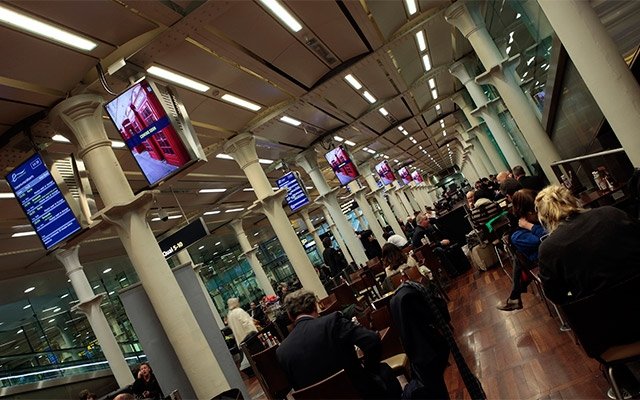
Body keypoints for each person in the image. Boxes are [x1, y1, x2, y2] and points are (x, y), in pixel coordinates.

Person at [276, 289, 401, 399]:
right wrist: (368, 368)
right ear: (315, 306)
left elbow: (297, 388)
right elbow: (372, 340)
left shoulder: (282, 351)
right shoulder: (332, 321)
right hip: (359, 393)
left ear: (290, 316)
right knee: (384, 372)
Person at [535, 185, 640, 304]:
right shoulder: (611, 213)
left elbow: (556, 296)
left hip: (602, 312)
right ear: (573, 200)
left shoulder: (548, 248)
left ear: (544, 217)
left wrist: (575, 293)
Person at [390, 281, 451, 399]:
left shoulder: (394, 300)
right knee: (439, 390)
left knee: (434, 389)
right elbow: (441, 314)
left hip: (415, 353)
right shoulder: (412, 294)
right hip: (429, 350)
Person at [497, 189, 547, 311]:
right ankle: (514, 296)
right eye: (535, 211)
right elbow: (545, 238)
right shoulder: (518, 235)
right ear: (526, 213)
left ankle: (514, 297)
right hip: (544, 264)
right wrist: (531, 226)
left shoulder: (539, 220)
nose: (539, 213)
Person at [227, 297, 258, 372]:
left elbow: (231, 326)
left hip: (240, 340)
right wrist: (255, 332)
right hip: (249, 337)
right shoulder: (239, 311)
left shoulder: (229, 315)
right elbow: (247, 323)